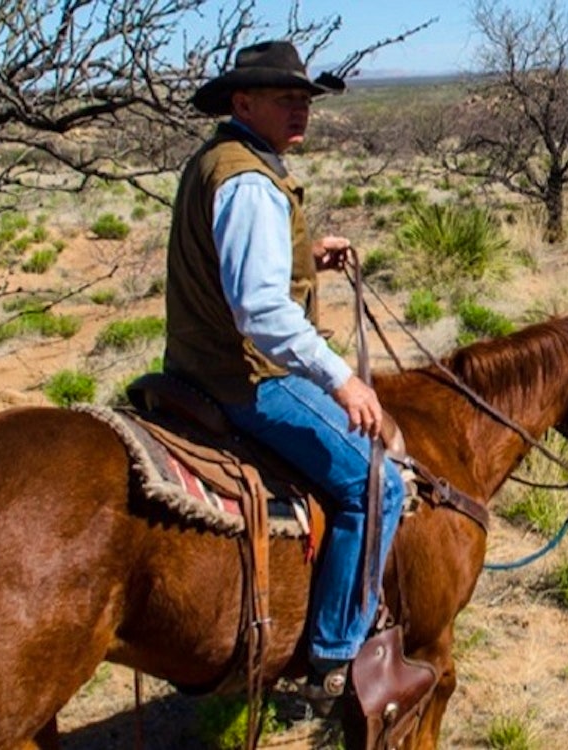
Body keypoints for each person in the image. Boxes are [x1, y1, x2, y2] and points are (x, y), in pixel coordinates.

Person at [164, 40, 405, 702]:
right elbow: (262, 312)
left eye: (304, 99)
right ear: (243, 102)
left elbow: (246, 269)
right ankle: (333, 655)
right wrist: (342, 379)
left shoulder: (226, 161)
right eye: (285, 98)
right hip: (245, 377)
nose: (301, 109)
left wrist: (307, 256)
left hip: (194, 364)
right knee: (376, 483)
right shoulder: (248, 183)